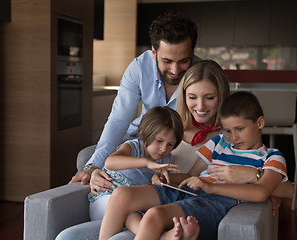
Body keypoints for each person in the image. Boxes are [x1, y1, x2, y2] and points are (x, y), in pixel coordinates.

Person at [98, 91, 294, 240]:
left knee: (154, 215)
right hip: (190, 188)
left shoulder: (272, 157)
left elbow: (261, 193)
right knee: (122, 194)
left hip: (215, 202)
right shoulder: (218, 143)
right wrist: (164, 175)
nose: (233, 137)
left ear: (260, 123)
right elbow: (190, 175)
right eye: (228, 130)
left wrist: (211, 186)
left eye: (240, 129)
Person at [69, 9, 200, 189]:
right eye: (167, 61)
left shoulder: (201, 74)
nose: (175, 70)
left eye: (183, 61)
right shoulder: (139, 67)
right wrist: (93, 166)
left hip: (172, 143)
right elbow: (119, 120)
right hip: (141, 136)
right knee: (86, 159)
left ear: (192, 53)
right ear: (153, 52)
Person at [88, 106, 184, 221]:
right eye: (159, 141)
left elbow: (165, 187)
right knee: (129, 212)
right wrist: (146, 162)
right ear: (143, 133)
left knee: (142, 215)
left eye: (170, 144)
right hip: (105, 199)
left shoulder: (167, 159)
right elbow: (110, 162)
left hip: (133, 204)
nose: (164, 149)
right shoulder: (133, 147)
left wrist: (160, 179)